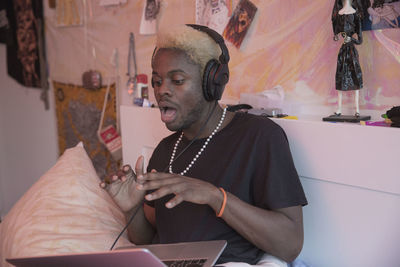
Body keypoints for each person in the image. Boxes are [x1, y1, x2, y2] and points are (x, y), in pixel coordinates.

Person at [101, 24, 307, 267]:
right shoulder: (165, 151)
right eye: (157, 81)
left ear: (212, 82)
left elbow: (290, 244)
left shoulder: (259, 137)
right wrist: (131, 209)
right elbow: (147, 237)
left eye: (177, 80)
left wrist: (214, 197)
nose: (161, 90)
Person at [331, 0, 364, 116]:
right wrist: (336, 36)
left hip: (352, 51)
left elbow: (360, 40)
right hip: (343, 50)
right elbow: (336, 33)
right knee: (340, 76)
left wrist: (352, 39)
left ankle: (357, 109)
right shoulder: (338, 14)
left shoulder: (356, 14)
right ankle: (339, 108)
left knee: (355, 76)